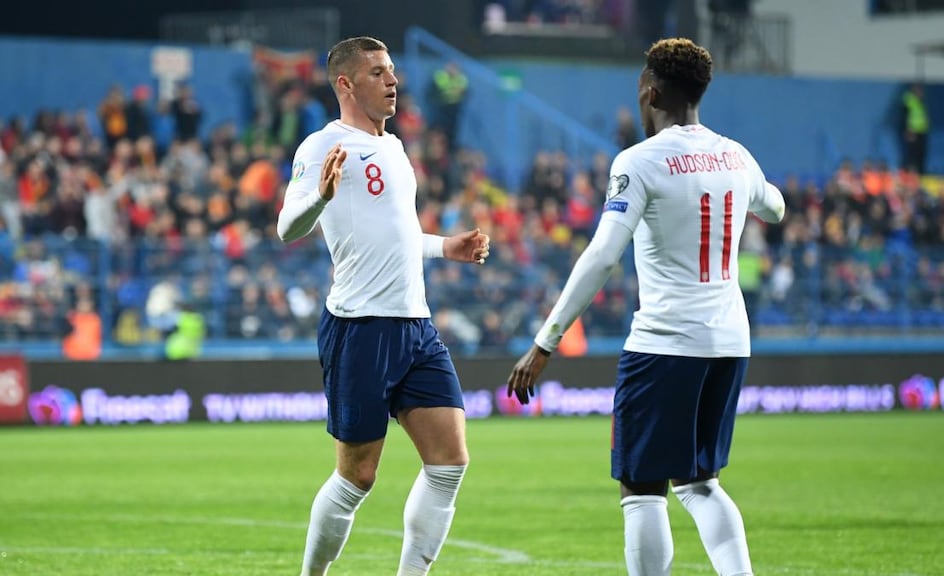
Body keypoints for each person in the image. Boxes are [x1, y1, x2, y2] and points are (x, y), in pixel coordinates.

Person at [507, 37, 785, 576]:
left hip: (666, 343)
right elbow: (774, 206)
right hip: (730, 341)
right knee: (700, 482)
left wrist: (545, 342)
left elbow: (602, 255)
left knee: (641, 487)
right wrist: (748, 188)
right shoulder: (736, 155)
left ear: (651, 92)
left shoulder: (640, 162)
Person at [276, 36, 490, 576]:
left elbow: (395, 235)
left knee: (449, 463)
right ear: (345, 84)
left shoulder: (393, 146)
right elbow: (286, 228)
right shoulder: (322, 145)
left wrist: (444, 246)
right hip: (360, 326)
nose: (392, 80)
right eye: (377, 72)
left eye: (391, 70)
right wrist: (320, 197)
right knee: (358, 477)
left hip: (416, 325)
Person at [900, 82, 929, 174]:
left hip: (921, 132)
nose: (922, 93)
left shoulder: (920, 102)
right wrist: (908, 131)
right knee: (911, 155)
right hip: (913, 132)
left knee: (920, 155)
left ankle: (920, 173)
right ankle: (909, 173)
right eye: (920, 91)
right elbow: (904, 117)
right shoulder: (909, 101)